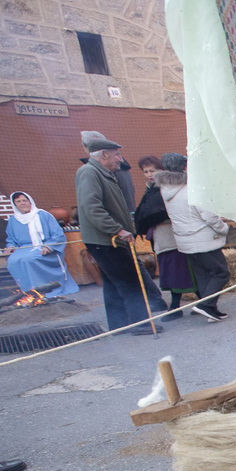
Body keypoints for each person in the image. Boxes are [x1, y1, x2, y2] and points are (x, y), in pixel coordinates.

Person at [75, 130, 168, 334]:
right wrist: (117, 228)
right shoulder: (89, 172)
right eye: (116, 154)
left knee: (113, 283)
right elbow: (92, 207)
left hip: (109, 239)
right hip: (107, 239)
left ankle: (120, 324)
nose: (120, 158)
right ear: (103, 155)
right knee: (129, 280)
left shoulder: (102, 173)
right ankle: (140, 323)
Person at [154, 152, 230, 322]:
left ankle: (210, 309)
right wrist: (223, 228)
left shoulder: (166, 189)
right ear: (185, 167)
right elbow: (209, 215)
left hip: (184, 239)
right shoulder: (192, 189)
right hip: (202, 238)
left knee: (203, 275)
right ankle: (205, 306)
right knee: (221, 272)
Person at [134, 155, 195, 316]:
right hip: (162, 236)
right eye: (145, 171)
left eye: (152, 170)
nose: (149, 174)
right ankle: (200, 303)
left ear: (161, 170)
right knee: (173, 269)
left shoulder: (164, 188)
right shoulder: (152, 189)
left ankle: (177, 306)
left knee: (177, 269)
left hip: (171, 234)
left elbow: (159, 211)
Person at [4, 191, 79, 297]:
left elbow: (58, 235)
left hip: (45, 246)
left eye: (25, 200)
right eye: (18, 201)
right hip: (24, 248)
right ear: (15, 204)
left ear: (30, 202)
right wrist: (10, 247)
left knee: (29, 259)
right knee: (12, 261)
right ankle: (29, 292)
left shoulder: (44, 215)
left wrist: (49, 247)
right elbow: (11, 238)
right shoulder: (13, 220)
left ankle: (44, 290)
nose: (22, 203)